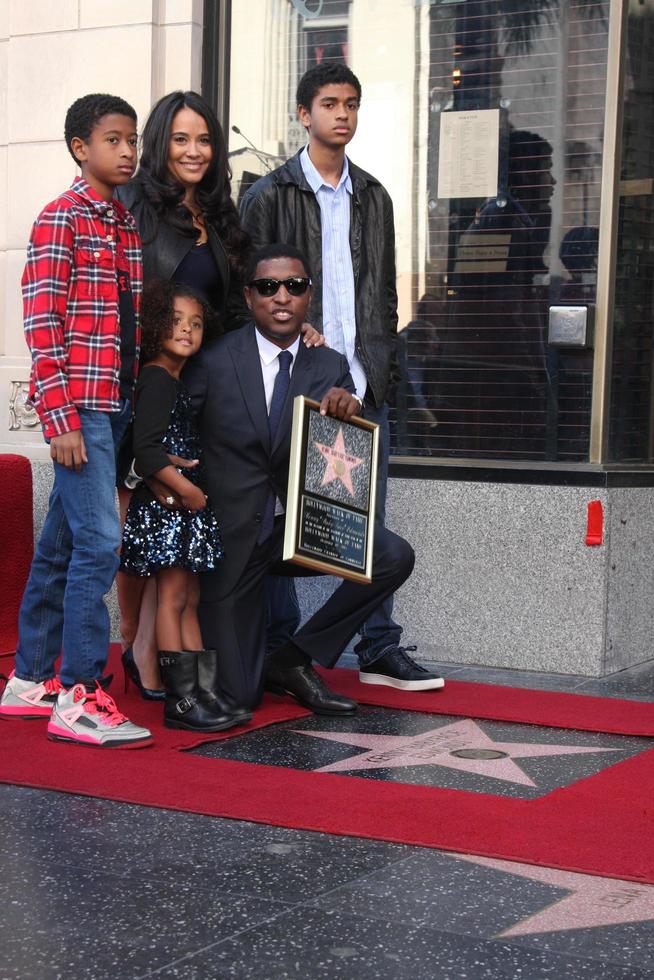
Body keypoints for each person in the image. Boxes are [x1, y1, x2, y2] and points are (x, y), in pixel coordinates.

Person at [240, 63, 443, 692]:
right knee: (282, 517)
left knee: (366, 527)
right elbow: (248, 290)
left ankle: (376, 648)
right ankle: (279, 648)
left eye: (352, 103)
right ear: (305, 114)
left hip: (360, 387)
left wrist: (378, 370)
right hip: (296, 383)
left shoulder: (374, 195)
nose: (343, 114)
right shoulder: (270, 195)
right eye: (330, 103)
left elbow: (380, 296)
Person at [115, 91, 324, 699]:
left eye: (204, 139)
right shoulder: (136, 208)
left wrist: (293, 330)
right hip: (146, 388)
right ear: (160, 143)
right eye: (180, 139)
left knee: (171, 530)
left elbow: (238, 310)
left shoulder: (220, 216)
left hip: (200, 393)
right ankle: (134, 641)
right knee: (145, 527)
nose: (194, 150)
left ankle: (149, 650)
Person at [179, 243, 417, 712]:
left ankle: (293, 659)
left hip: (300, 531)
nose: (282, 296)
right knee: (239, 697)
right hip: (232, 538)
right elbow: (179, 434)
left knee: (392, 555)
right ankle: (250, 669)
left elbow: (344, 448)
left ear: (309, 296)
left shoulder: (328, 365)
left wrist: (348, 408)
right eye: (268, 287)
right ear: (249, 297)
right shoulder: (213, 359)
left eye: (295, 286)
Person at [0, 93, 152, 748]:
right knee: (99, 543)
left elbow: (129, 329)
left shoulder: (123, 226)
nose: (127, 151)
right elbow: (42, 325)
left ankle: (30, 679)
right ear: (80, 148)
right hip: (80, 409)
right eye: (113, 140)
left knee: (63, 545)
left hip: (113, 405)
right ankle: (80, 692)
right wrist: (59, 417)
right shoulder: (59, 219)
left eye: (132, 140)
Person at [120, 280, 247, 733]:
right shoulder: (156, 378)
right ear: (154, 325)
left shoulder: (173, 380)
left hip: (184, 508)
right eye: (175, 321)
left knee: (190, 598)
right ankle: (181, 701)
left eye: (196, 324)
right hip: (169, 509)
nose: (187, 331)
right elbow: (147, 450)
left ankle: (204, 692)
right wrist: (189, 492)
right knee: (173, 599)